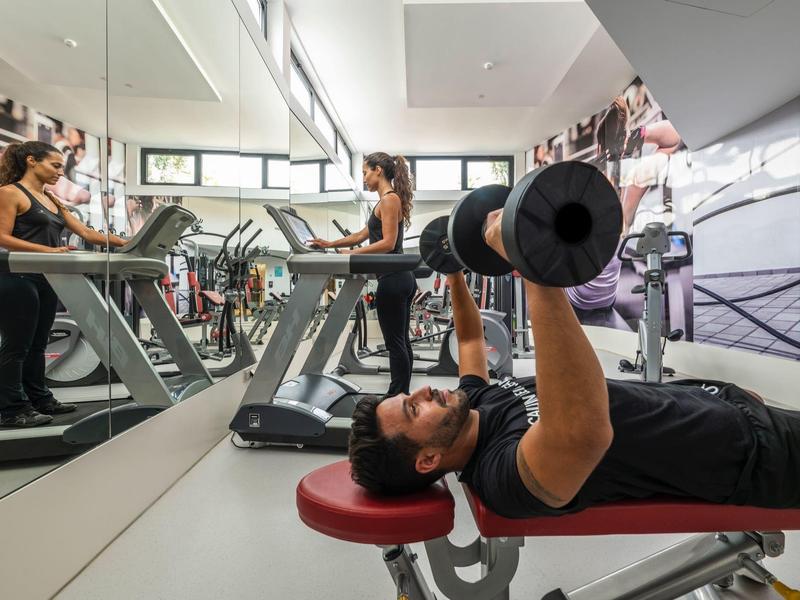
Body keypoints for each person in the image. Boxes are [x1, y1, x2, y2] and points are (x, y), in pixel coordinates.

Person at [348, 209, 800, 518]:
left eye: (410, 394)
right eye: (413, 409)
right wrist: (530, 267)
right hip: (753, 455)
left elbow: (468, 336)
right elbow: (584, 433)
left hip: (727, 405)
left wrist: (451, 267)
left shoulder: (477, 401)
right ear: (428, 460)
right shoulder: (502, 473)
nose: (424, 391)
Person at [0, 141, 127, 428]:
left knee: (37, 345)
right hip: (16, 278)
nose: (60, 172)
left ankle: (39, 398)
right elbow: (2, 237)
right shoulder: (10, 193)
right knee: (16, 347)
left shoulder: (51, 199)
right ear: (32, 161)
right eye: (55, 166)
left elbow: (84, 231)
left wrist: (129, 242)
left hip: (46, 277)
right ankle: (10, 409)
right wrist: (49, 251)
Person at [567, 96, 682, 331]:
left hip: (602, 307)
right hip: (571, 305)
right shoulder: (588, 204)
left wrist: (639, 135)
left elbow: (674, 139)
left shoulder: (626, 201)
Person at [310, 153, 416, 395]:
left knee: (396, 343)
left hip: (394, 278)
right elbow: (359, 236)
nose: (364, 179)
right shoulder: (384, 202)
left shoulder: (389, 200)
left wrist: (352, 254)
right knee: (401, 342)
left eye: (365, 173)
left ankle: (396, 397)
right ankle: (402, 395)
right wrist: (329, 244)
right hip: (399, 277)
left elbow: (388, 243)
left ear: (378, 170)